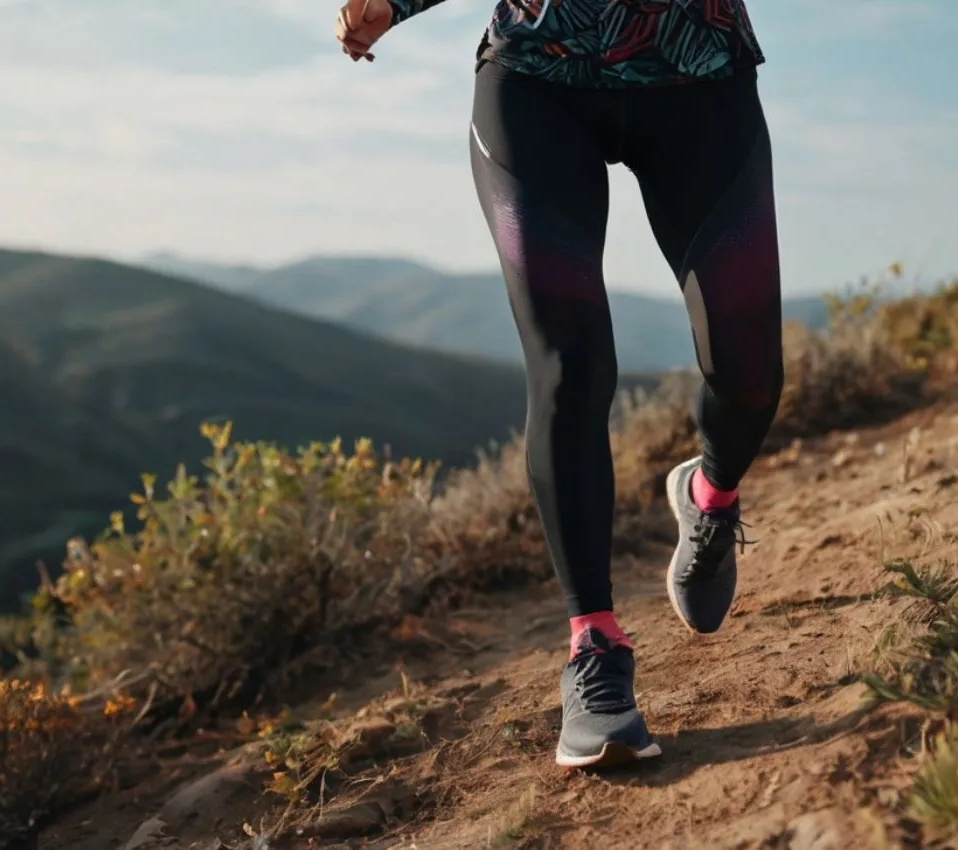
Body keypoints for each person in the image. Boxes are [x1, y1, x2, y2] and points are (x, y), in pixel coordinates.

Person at [335, 0, 783, 768]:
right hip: (537, 84)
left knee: (750, 374)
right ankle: (595, 652)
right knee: (571, 366)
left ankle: (709, 497)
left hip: (701, 80)